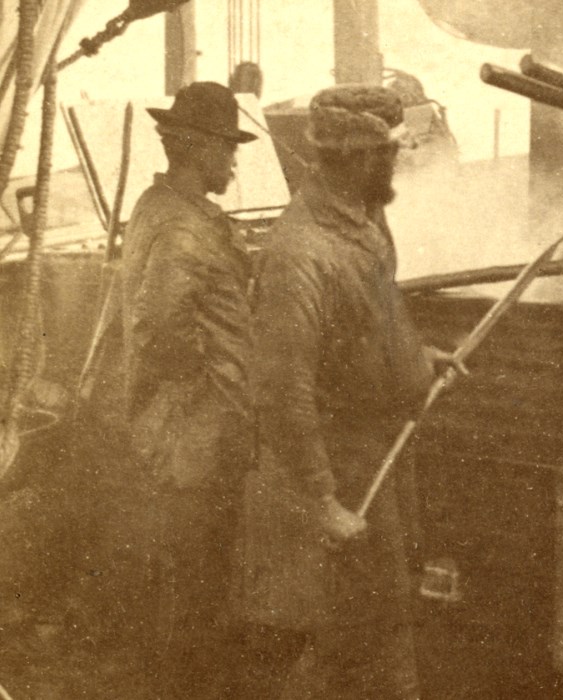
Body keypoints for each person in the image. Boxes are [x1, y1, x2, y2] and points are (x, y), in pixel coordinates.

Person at [238, 84, 459, 699]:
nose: (398, 162)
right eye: (390, 153)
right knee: (367, 622)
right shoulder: (300, 253)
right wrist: (323, 499)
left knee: (384, 605)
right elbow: (282, 390)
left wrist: (420, 359)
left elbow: (379, 316)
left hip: (385, 445)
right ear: (361, 158)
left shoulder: (364, 221)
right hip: (344, 463)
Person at [120, 81, 257, 699]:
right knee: (195, 585)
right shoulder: (182, 229)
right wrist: (220, 387)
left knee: (192, 581)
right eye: (227, 148)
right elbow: (165, 332)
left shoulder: (165, 206)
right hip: (194, 433)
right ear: (197, 147)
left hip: (191, 428)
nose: (232, 161)